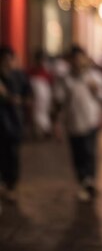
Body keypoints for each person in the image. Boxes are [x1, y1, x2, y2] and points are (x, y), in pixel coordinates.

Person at [54, 46, 102, 201]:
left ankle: (89, 181)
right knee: (78, 154)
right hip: (73, 122)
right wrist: (56, 123)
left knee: (90, 152)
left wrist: (97, 93)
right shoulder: (65, 79)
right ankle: (83, 181)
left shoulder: (95, 77)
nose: (78, 61)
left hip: (91, 121)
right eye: (74, 58)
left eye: (80, 58)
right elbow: (58, 101)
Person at [0, 46, 31, 203]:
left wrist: (11, 97)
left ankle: (11, 186)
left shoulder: (19, 77)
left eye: (8, 60)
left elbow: (28, 97)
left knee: (12, 157)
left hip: (13, 125)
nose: (6, 63)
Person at [28, 49, 54, 139]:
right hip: (33, 98)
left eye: (43, 59)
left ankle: (45, 131)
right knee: (34, 115)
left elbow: (51, 85)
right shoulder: (30, 71)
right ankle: (36, 132)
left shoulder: (48, 72)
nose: (41, 62)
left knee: (43, 114)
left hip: (44, 99)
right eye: (39, 59)